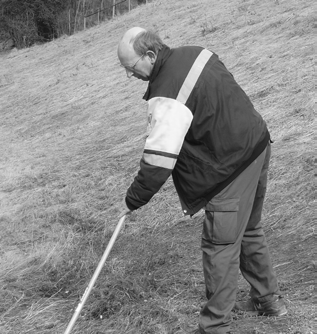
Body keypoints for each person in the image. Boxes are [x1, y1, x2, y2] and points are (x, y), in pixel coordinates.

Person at [117, 27, 287, 334]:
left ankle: (214, 326)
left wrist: (133, 199)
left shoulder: (166, 93)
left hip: (230, 169)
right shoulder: (196, 52)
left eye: (131, 68)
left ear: (150, 55)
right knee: (248, 229)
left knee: (219, 244)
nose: (131, 76)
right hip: (258, 146)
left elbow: (158, 163)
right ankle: (268, 300)